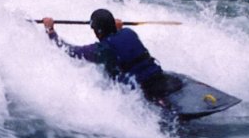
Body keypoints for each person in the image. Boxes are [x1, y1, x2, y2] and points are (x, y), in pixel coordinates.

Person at [41, 9, 181, 102]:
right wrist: (116, 27)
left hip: (145, 91)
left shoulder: (102, 50)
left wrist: (50, 30)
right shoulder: (128, 32)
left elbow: (70, 51)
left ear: (98, 31)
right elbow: (118, 37)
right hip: (160, 78)